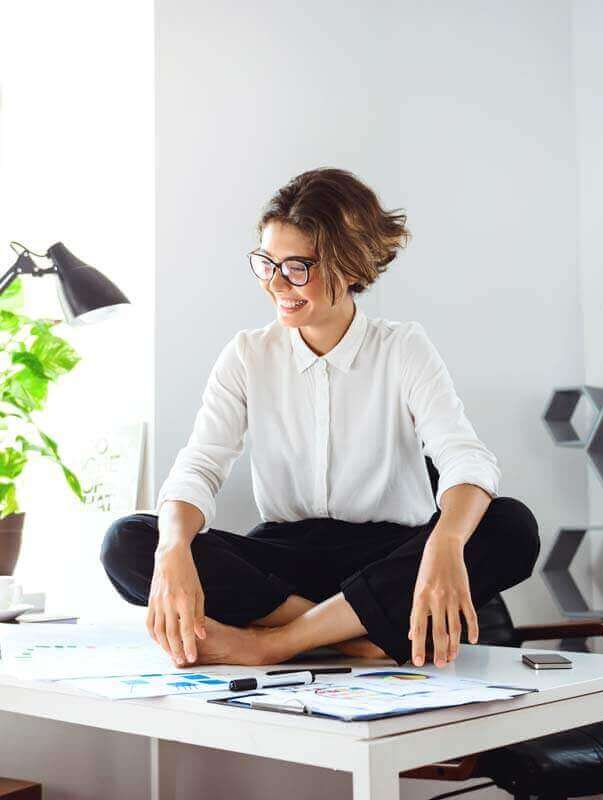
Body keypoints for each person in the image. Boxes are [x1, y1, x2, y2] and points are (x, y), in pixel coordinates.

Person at [100, 167, 540, 671]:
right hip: (285, 564)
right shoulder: (248, 354)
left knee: (511, 526)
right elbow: (200, 464)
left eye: (297, 267)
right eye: (267, 263)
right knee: (128, 542)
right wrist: (173, 547)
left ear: (351, 265)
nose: (277, 284)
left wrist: (447, 540)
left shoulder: (402, 348)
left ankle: (272, 643)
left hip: (390, 559)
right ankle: (349, 634)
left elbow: (464, 456)